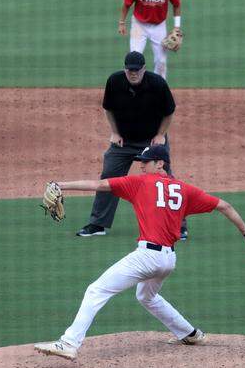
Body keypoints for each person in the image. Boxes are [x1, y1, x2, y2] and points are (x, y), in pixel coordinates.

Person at [34, 144, 245, 361]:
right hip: (168, 259)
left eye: (146, 162)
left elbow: (100, 184)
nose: (141, 166)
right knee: (146, 296)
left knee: (96, 290)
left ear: (160, 163)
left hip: (147, 257)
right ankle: (191, 334)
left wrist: (61, 184)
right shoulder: (184, 189)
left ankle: (69, 343)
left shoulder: (140, 183)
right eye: (141, 162)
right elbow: (224, 205)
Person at [77, 51, 186, 239]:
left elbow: (169, 113)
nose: (133, 73)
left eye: (136, 70)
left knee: (165, 179)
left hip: (152, 141)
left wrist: (160, 135)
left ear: (144, 69)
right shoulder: (115, 82)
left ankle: (178, 226)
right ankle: (98, 224)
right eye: (129, 70)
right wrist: (115, 132)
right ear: (124, 69)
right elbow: (108, 109)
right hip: (124, 142)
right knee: (109, 177)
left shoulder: (158, 84)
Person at [119, 0, 182, 80]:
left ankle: (159, 88)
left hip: (159, 26)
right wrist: (121, 23)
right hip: (139, 25)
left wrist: (177, 27)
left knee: (161, 61)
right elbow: (126, 4)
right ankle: (133, 86)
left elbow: (176, 4)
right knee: (135, 58)